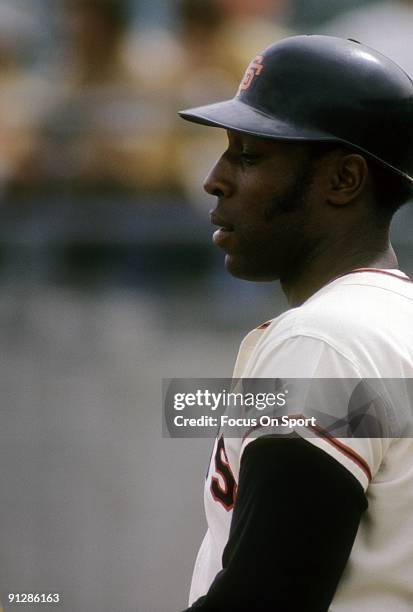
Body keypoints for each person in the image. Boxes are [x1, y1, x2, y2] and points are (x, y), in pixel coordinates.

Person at [178, 35, 413, 611]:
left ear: (344, 180)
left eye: (249, 155)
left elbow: (270, 597)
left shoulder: (325, 339)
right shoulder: (390, 324)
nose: (215, 179)